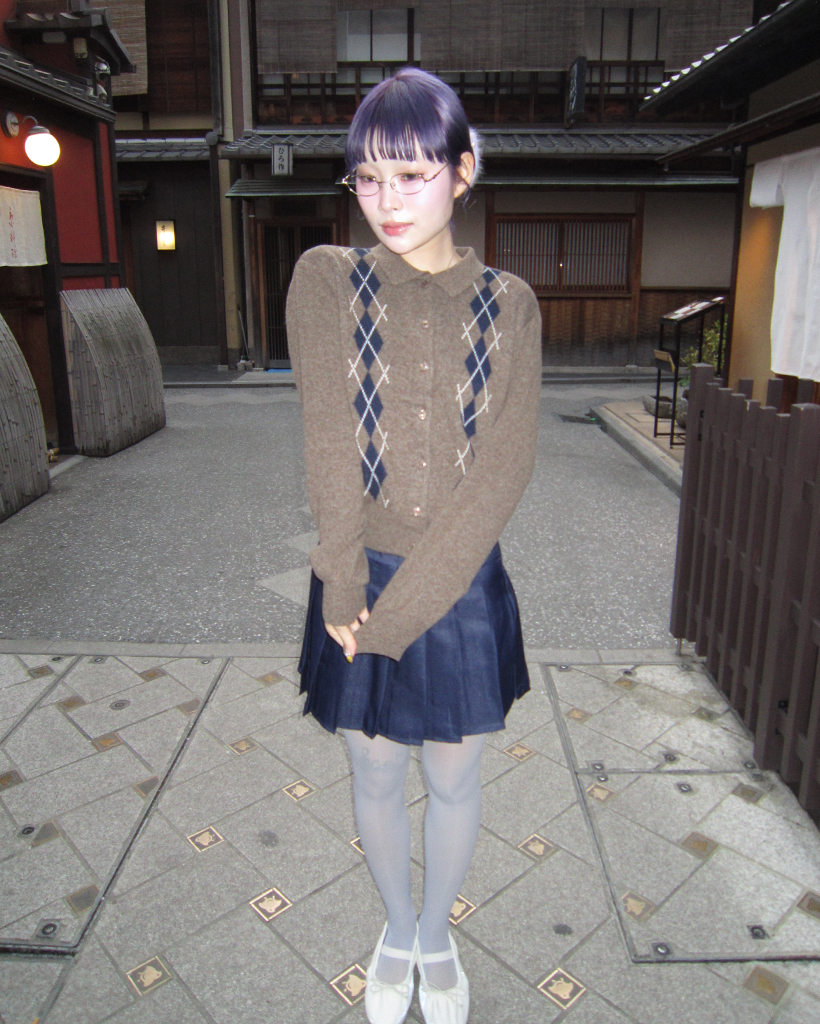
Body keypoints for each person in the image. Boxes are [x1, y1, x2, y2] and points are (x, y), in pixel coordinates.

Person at [287, 66, 541, 1024]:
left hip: (461, 583)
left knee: (453, 774)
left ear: (463, 171)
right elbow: (328, 444)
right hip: (357, 575)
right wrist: (347, 587)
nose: (385, 200)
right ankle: (398, 927)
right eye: (367, 176)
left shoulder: (511, 304)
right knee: (375, 769)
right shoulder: (328, 279)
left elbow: (503, 473)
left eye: (411, 174)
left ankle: (438, 936)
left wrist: (394, 622)